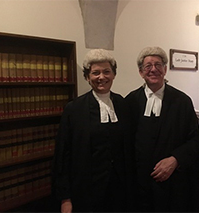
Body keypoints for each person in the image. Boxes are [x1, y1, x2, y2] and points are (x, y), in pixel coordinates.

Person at [125, 47, 199, 212]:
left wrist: (175, 159)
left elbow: (195, 141)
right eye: (148, 66)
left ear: (165, 70)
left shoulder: (182, 101)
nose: (153, 69)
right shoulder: (130, 101)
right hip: (140, 184)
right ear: (141, 72)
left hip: (174, 184)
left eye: (158, 65)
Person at [52, 49, 130, 212]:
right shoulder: (74, 109)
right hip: (86, 192)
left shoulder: (122, 104)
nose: (102, 77)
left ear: (114, 75)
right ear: (87, 77)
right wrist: (65, 198)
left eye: (107, 71)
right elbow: (63, 155)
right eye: (96, 73)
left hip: (119, 190)